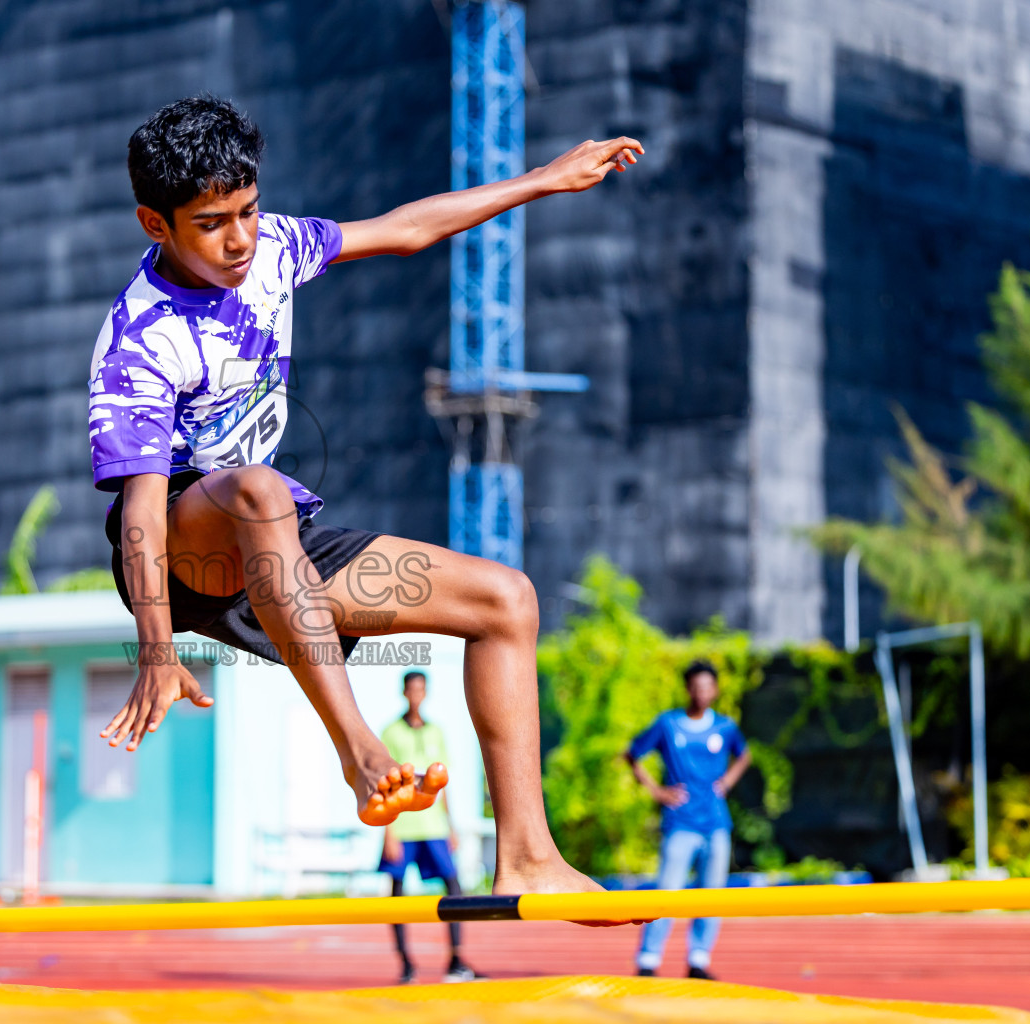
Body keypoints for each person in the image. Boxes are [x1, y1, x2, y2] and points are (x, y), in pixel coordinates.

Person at [90, 96, 643, 897]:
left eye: (247, 210)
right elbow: (140, 510)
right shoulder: (140, 337)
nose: (240, 239)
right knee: (257, 488)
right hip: (184, 551)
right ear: (156, 225)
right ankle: (360, 755)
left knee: (506, 600)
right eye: (212, 224)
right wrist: (156, 646)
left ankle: (527, 854)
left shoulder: (272, 246)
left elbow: (408, 228)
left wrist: (546, 180)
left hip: (277, 538)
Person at [624, 660, 754, 979]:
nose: (702, 693)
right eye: (696, 687)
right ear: (687, 689)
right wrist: (657, 791)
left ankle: (698, 959)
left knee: (710, 895)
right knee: (667, 892)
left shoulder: (724, 727)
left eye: (708, 687)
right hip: (680, 823)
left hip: (716, 823)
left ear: (716, 690)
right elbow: (632, 754)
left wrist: (728, 781)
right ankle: (649, 960)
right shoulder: (668, 724)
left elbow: (745, 754)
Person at [378, 671, 476, 984]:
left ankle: (456, 960)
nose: (416, 695)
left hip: (434, 825)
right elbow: (385, 787)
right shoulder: (390, 732)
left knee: (454, 887)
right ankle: (406, 965)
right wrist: (387, 832)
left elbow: (441, 784)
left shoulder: (436, 732)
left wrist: (452, 827)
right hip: (403, 825)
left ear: (426, 693)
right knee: (397, 895)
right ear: (404, 693)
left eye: (421, 689)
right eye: (412, 690)